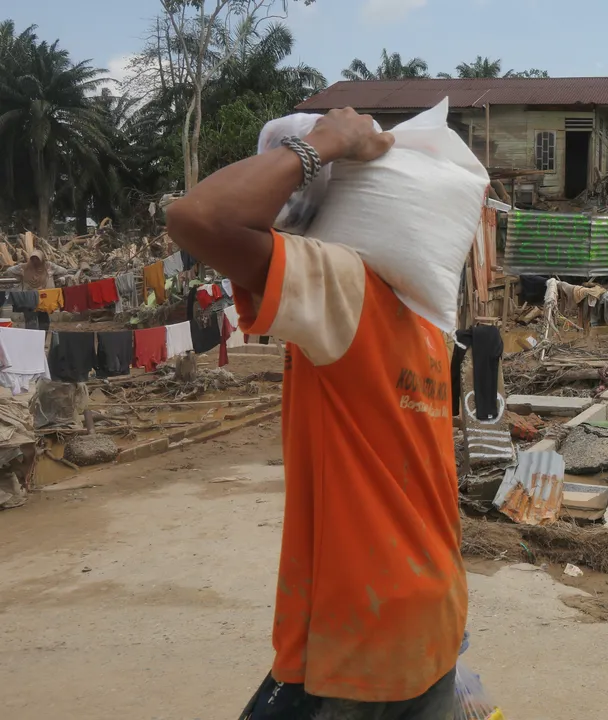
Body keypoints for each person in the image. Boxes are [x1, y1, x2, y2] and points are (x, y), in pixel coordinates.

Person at [166, 108, 465, 720]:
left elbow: (196, 217)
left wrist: (325, 141)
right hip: (432, 607)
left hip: (363, 628)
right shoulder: (431, 320)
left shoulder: (344, 285)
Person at [4, 250, 70, 330]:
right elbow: (9, 271)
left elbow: (64, 271)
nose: (35, 261)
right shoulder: (24, 267)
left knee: (44, 321)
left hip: (44, 298)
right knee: (31, 321)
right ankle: (32, 340)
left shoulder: (49, 266)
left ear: (42, 259)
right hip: (29, 298)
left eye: (37, 258)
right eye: (33, 259)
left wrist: (55, 277)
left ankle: (42, 340)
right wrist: (21, 273)